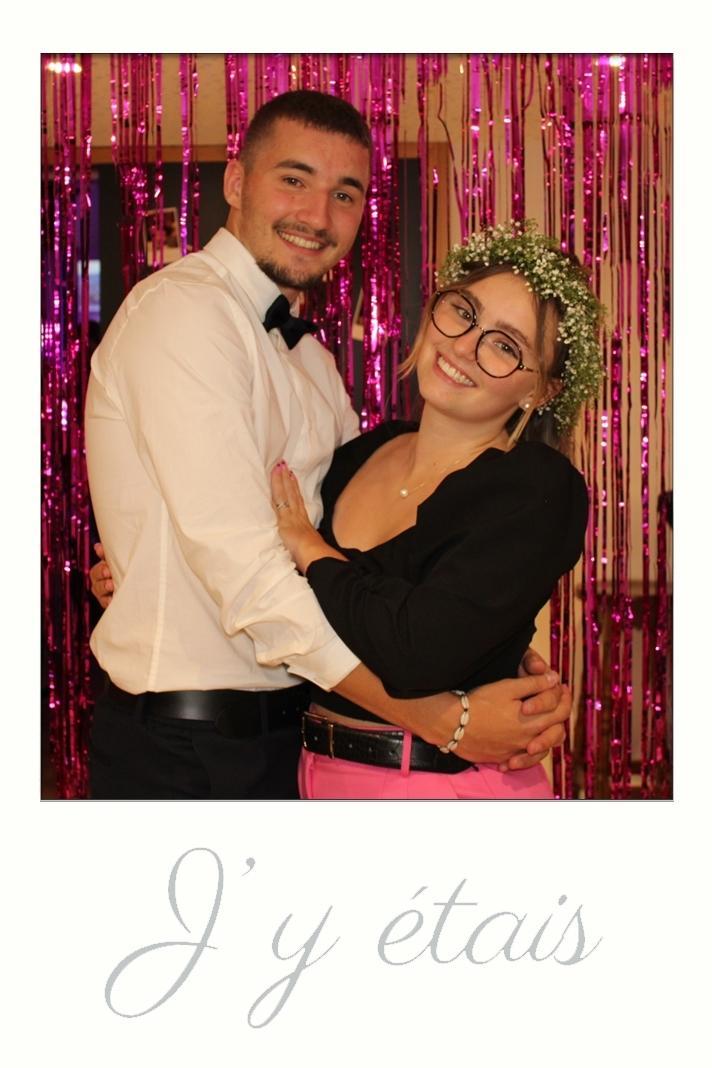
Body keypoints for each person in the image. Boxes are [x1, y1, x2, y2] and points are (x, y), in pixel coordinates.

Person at [85, 91, 572, 800]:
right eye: (294, 179)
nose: (317, 217)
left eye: (344, 195)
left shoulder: (309, 360)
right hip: (189, 749)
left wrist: (486, 648)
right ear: (235, 181)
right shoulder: (183, 314)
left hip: (294, 741)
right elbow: (249, 575)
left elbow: (367, 561)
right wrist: (446, 719)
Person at [269, 220, 603, 799]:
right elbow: (273, 599)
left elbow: (415, 653)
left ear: (540, 390)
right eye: (464, 312)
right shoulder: (356, 453)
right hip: (310, 773)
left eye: (505, 346)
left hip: (450, 791)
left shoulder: (536, 488)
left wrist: (309, 549)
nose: (465, 347)